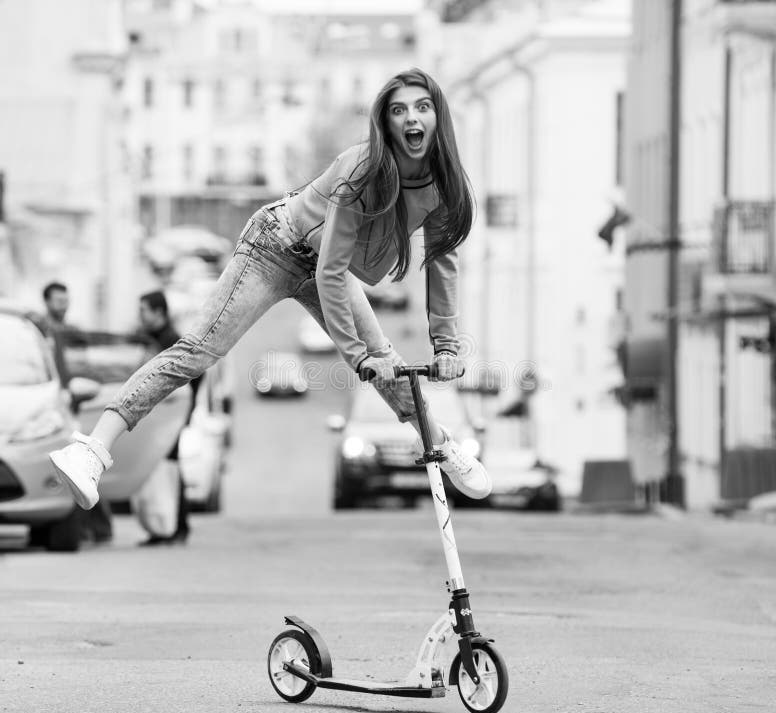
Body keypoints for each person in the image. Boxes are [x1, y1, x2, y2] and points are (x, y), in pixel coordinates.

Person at [48, 67, 493, 511]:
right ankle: (90, 449)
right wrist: (359, 356)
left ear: (438, 115)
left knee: (391, 362)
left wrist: (447, 348)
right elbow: (332, 273)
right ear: (387, 122)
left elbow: (443, 263)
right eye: (398, 110)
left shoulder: (442, 184)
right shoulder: (361, 168)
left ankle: (443, 445)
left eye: (422, 107)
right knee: (198, 350)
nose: (411, 118)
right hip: (275, 244)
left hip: (321, 262)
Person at [40, 282, 113, 543]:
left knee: (78, 468)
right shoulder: (41, 332)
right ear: (46, 301)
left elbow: (83, 368)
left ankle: (96, 528)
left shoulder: (71, 334)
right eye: (58, 300)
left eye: (65, 300)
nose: (63, 305)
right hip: (45, 410)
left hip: (69, 406)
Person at [136, 290, 196, 546]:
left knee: (169, 469)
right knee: (158, 469)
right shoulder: (150, 339)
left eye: (144, 310)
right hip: (157, 417)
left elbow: (196, 373)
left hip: (169, 416)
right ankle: (163, 526)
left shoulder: (172, 340)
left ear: (158, 312)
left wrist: (182, 408)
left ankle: (176, 527)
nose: (140, 315)